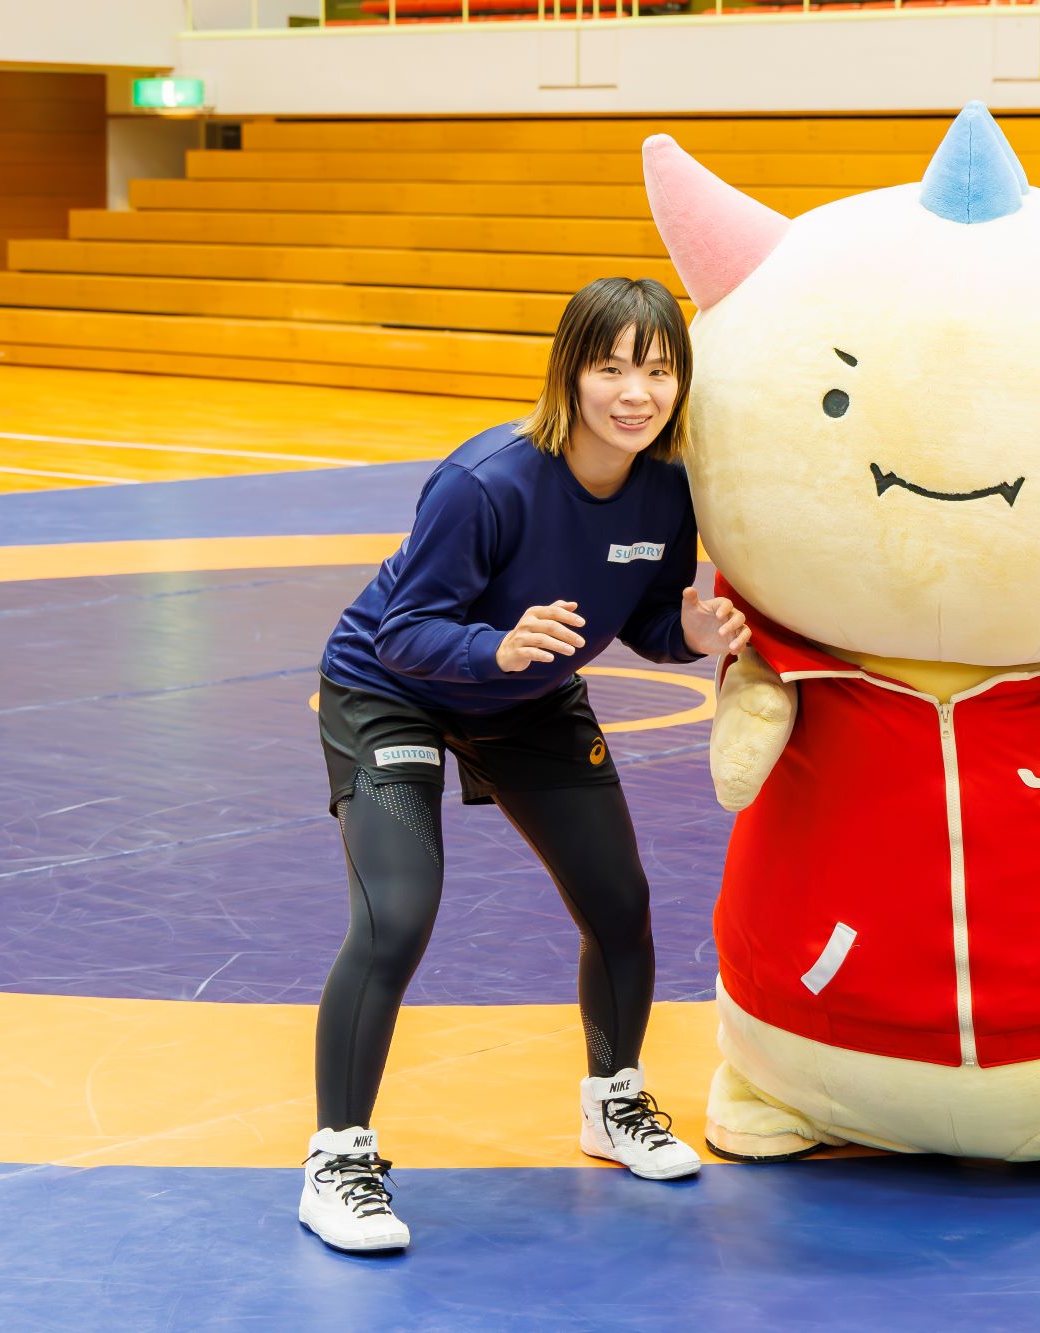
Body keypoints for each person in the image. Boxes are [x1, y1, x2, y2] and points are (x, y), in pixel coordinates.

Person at [299, 277, 747, 1253]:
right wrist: (494, 648)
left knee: (619, 902)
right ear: (569, 372)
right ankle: (337, 1157)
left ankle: (612, 1101)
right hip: (393, 690)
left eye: (658, 370)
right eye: (611, 367)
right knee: (396, 914)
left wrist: (689, 633)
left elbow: (645, 614)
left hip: (529, 696)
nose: (636, 392)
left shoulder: (667, 490)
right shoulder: (484, 483)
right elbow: (407, 630)